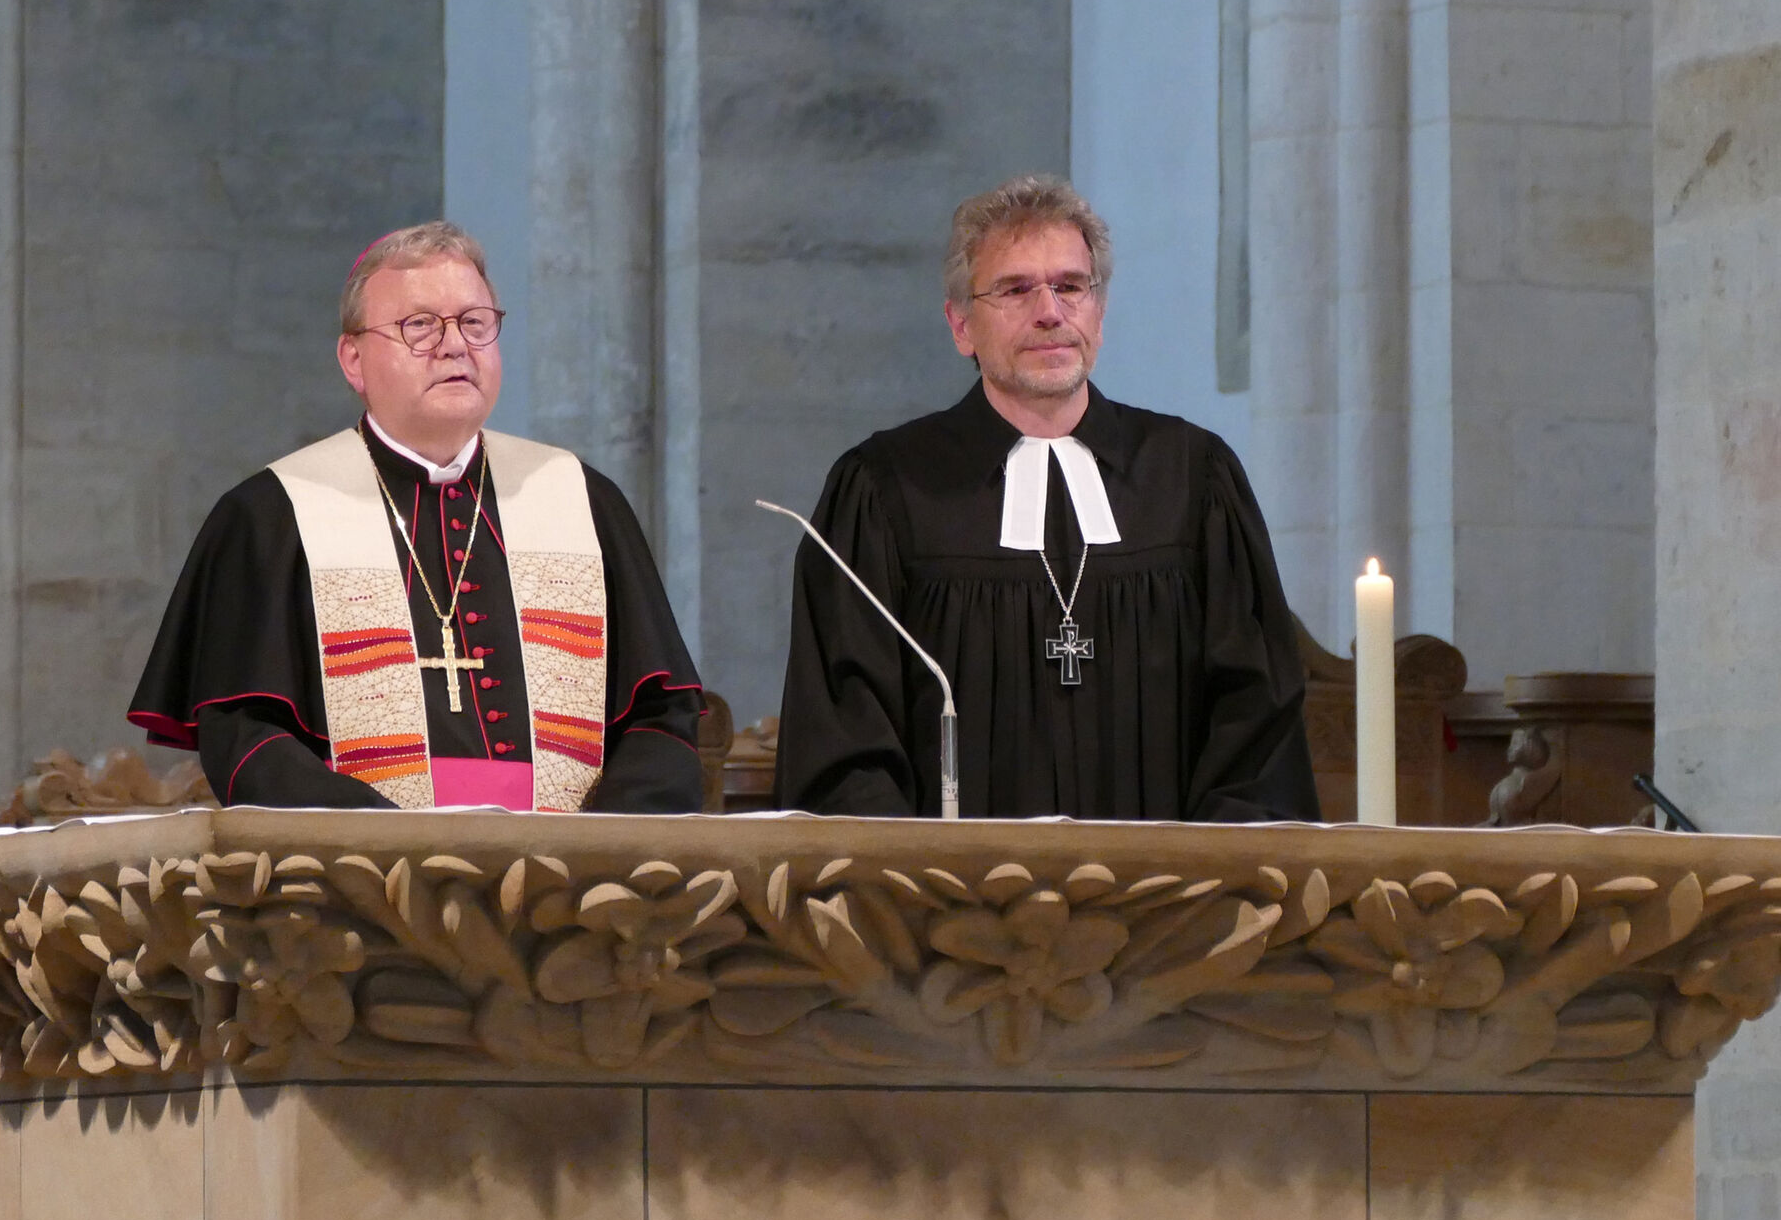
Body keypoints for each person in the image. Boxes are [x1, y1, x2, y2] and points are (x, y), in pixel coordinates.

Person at [774, 175, 1318, 821]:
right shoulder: (886, 487)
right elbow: (845, 728)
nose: (1049, 312)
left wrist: (1209, 886)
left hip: (1168, 898)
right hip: (946, 905)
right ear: (960, 325)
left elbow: (1255, 717)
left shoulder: (1191, 476)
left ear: (1099, 311)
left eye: (1069, 285)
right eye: (1014, 289)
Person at [129, 222, 704, 812]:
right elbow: (247, 739)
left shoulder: (584, 502)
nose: (456, 345)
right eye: (420, 326)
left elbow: (661, 721)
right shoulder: (273, 515)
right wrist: (388, 846)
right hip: (362, 879)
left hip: (571, 883)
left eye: (475, 323)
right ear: (354, 360)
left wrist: (599, 844)